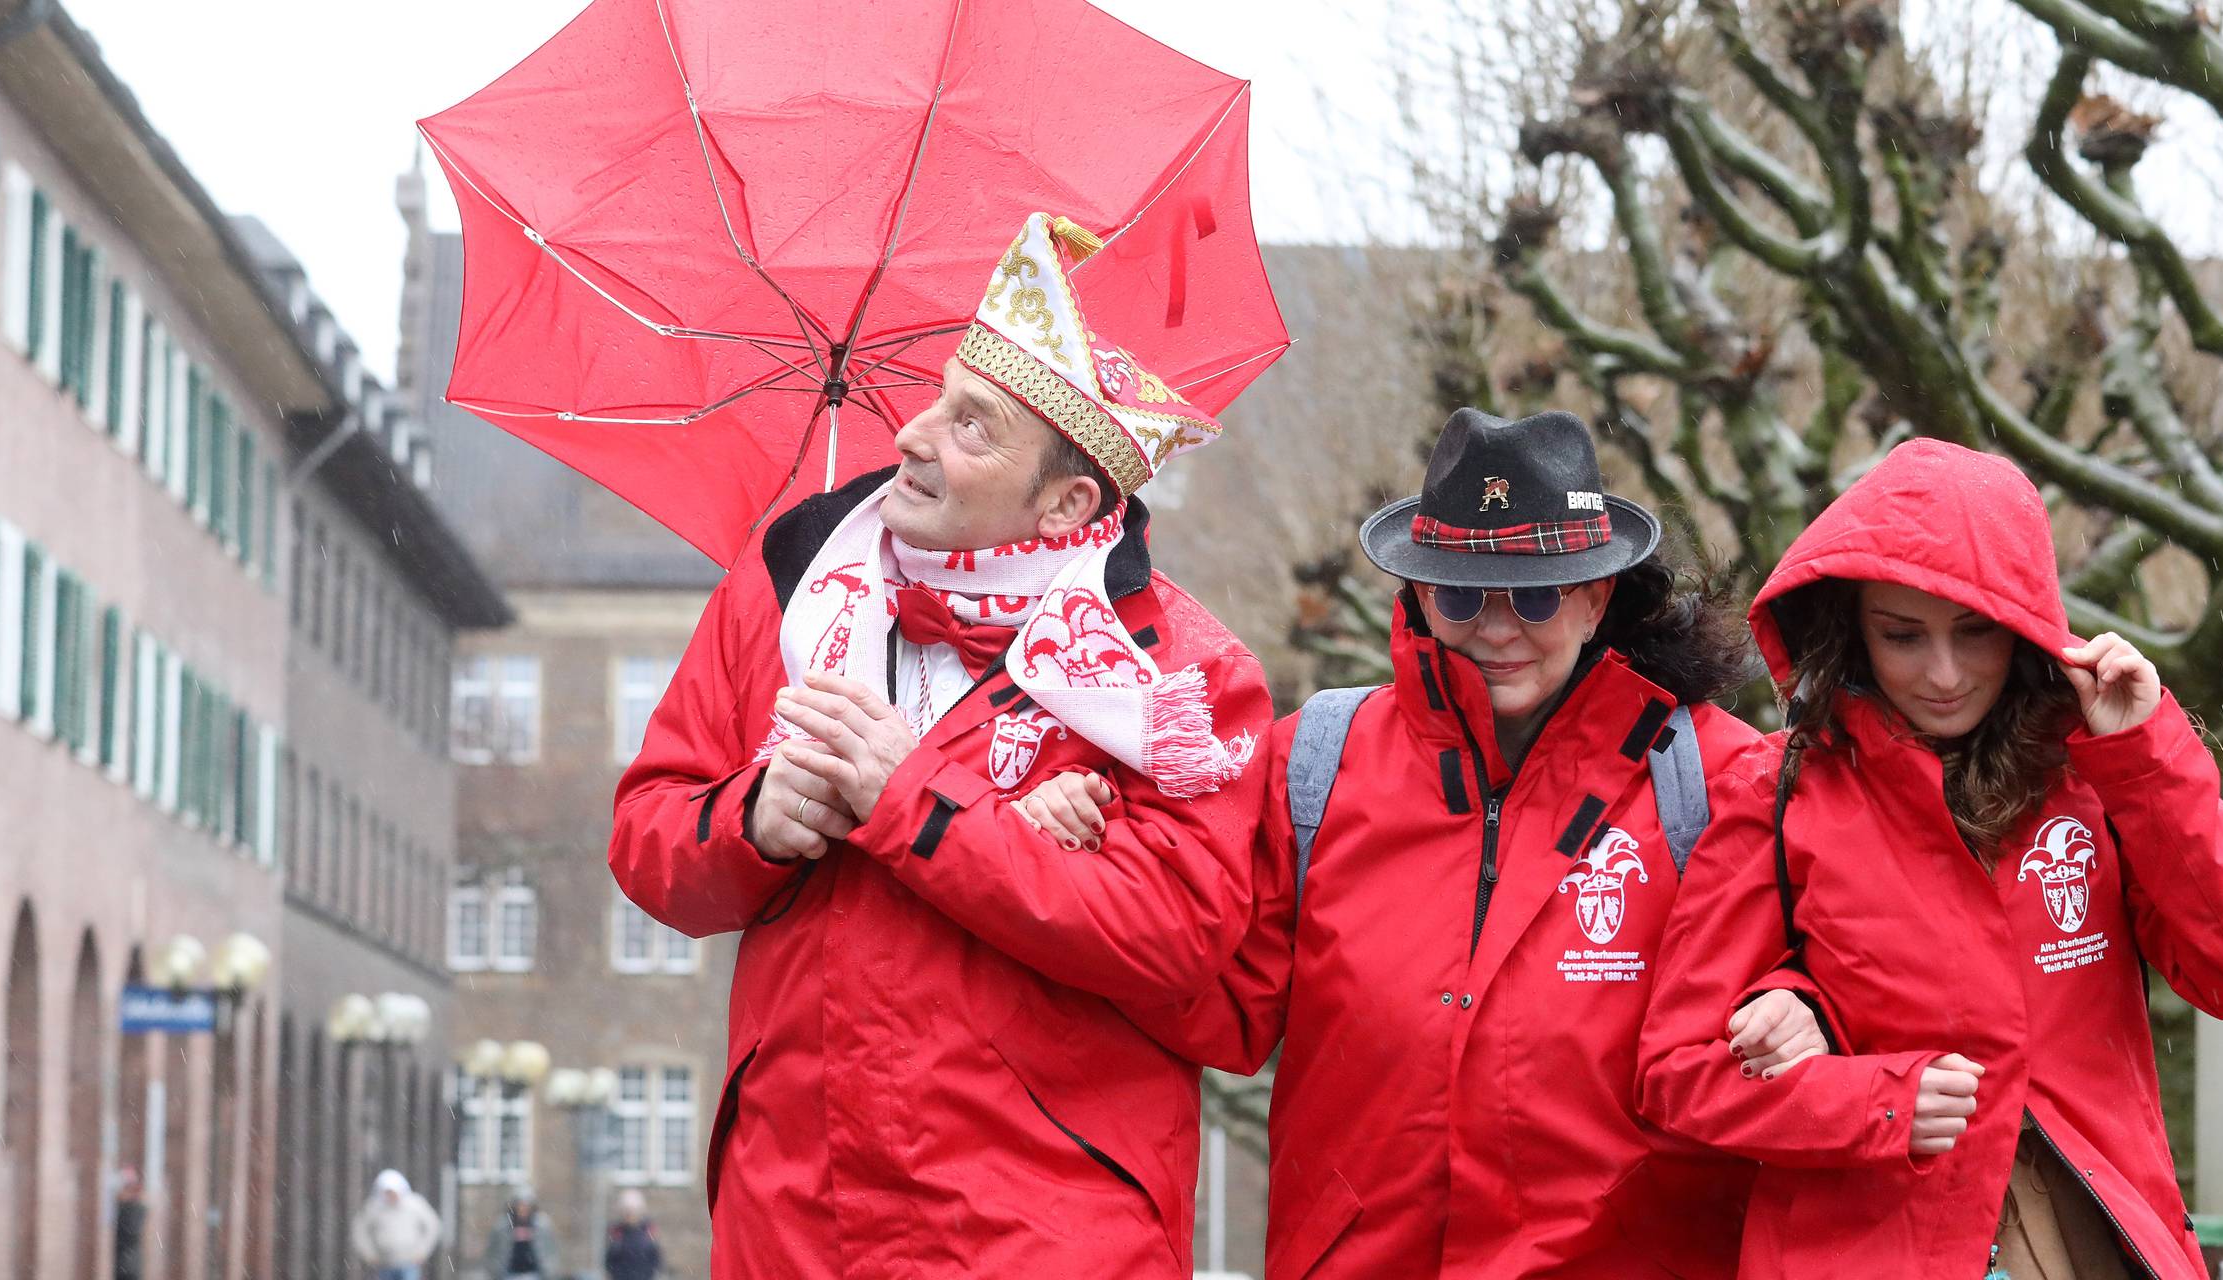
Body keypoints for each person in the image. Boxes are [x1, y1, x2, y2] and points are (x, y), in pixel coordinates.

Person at [609, 211, 1275, 1276]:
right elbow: (649, 843)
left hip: (1046, 1235)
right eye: (938, 399)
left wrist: (910, 797)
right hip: (794, 1219)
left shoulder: (1182, 679)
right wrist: (753, 819)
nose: (914, 436)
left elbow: (1175, 940)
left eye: (972, 427)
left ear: (1067, 503)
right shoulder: (787, 591)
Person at [1016, 408, 1828, 1278]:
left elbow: (1847, 962)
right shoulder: (1314, 762)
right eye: (1465, 595)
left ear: (1597, 601)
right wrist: (1097, 853)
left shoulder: (1722, 779)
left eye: (1538, 594)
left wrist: (1804, 1006)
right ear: (1419, 597)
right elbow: (1217, 1002)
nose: (1500, 627)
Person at [1635, 439, 2223, 1278]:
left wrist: (2147, 759)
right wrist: (1874, 1105)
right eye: (1903, 636)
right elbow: (1675, 1074)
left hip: (2093, 1236)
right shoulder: (1775, 791)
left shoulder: (2098, 773)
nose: (1944, 674)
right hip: (1865, 1247)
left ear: (2024, 625)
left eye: (1976, 633)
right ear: (1851, 629)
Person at [348, 1168, 442, 1280]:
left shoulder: (415, 1205)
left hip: (409, 1261)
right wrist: (369, 1253)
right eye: (387, 1193)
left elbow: (432, 1226)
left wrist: (422, 1251)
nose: (391, 1196)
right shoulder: (374, 1207)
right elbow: (360, 1229)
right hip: (384, 1262)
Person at [485, 1188, 557, 1280]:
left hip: (536, 1274)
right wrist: (494, 1270)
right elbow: (492, 1250)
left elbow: (551, 1250)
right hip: (508, 1274)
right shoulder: (502, 1226)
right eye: (520, 1205)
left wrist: (550, 1270)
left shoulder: (542, 1225)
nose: (523, 1209)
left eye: (526, 1206)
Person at [604, 1189, 666, 1280]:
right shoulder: (616, 1233)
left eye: (633, 1211)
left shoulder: (648, 1233)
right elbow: (609, 1261)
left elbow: (656, 1259)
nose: (630, 1215)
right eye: (627, 1211)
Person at [109, 1166, 145, 1280]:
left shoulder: (134, 1209)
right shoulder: (130, 1208)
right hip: (125, 1265)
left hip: (126, 1267)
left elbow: (129, 1232)